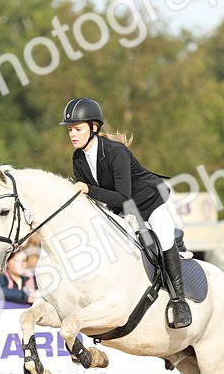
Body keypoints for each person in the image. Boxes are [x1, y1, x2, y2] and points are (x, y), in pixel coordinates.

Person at [61, 97, 191, 328]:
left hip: (151, 200)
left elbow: (122, 195)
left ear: (94, 128)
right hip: (122, 208)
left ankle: (179, 302)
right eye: (70, 129)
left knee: (163, 239)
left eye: (77, 129)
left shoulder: (115, 152)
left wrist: (89, 189)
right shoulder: (78, 158)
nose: (72, 134)